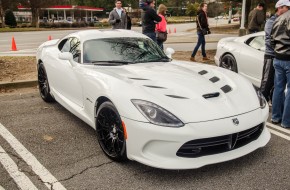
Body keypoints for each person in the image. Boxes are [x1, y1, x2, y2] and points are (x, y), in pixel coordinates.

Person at [260, 3, 289, 103]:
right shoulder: (271, 21)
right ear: (280, 8)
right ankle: (261, 104)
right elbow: (269, 40)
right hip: (271, 56)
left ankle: (274, 105)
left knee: (277, 85)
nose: (288, 10)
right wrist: (281, 50)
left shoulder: (285, 20)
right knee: (266, 83)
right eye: (287, 8)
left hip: (279, 56)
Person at [270, 0, 290, 128]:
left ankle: (275, 117)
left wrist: (277, 51)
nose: (278, 10)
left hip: (278, 58)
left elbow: (271, 40)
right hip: (288, 58)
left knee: (278, 88)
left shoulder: (277, 19)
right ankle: (286, 121)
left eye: (280, 8)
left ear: (284, 7)